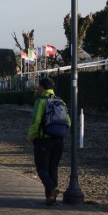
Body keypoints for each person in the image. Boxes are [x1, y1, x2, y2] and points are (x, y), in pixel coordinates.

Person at [27, 77, 70, 206]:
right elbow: (68, 122)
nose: (37, 89)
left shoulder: (40, 101)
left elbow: (36, 121)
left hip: (43, 140)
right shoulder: (60, 101)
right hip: (59, 140)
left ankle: (52, 188)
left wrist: (31, 135)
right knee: (53, 168)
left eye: (39, 86)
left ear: (43, 87)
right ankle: (50, 198)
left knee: (41, 168)